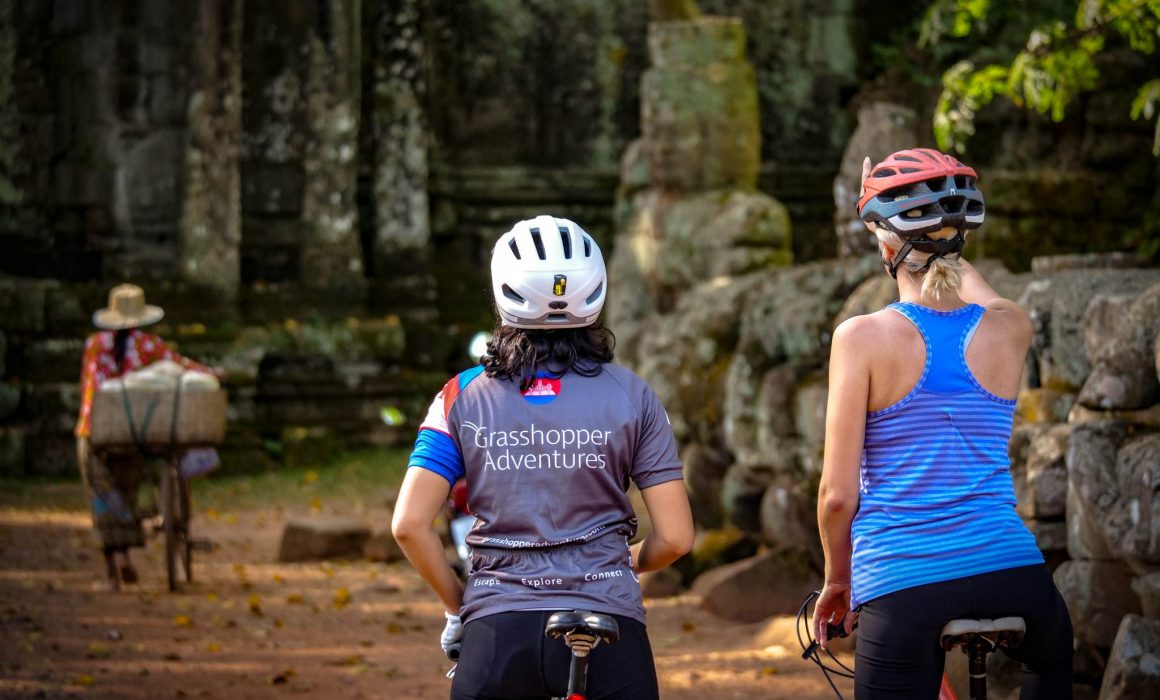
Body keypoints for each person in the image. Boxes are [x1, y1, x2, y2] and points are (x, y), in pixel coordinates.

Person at [391, 215, 694, 700]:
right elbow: (677, 537)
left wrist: (457, 606)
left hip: (496, 629)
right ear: (596, 290)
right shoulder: (634, 395)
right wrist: (621, 561)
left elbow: (408, 524)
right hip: (607, 625)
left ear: (503, 291)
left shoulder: (461, 396)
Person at [812, 149, 1073, 698]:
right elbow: (966, 285)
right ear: (963, 237)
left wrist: (839, 581)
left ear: (883, 244)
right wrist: (938, 238)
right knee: (1050, 663)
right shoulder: (1012, 327)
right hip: (1013, 571)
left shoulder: (859, 338)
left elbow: (837, 497)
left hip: (904, 584)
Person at [75, 284, 214, 590]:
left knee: (103, 497)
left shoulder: (94, 345)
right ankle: (125, 553)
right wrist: (211, 373)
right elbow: (182, 367)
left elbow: (89, 386)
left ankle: (114, 568)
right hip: (133, 431)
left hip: (95, 431)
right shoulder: (150, 345)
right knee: (126, 490)